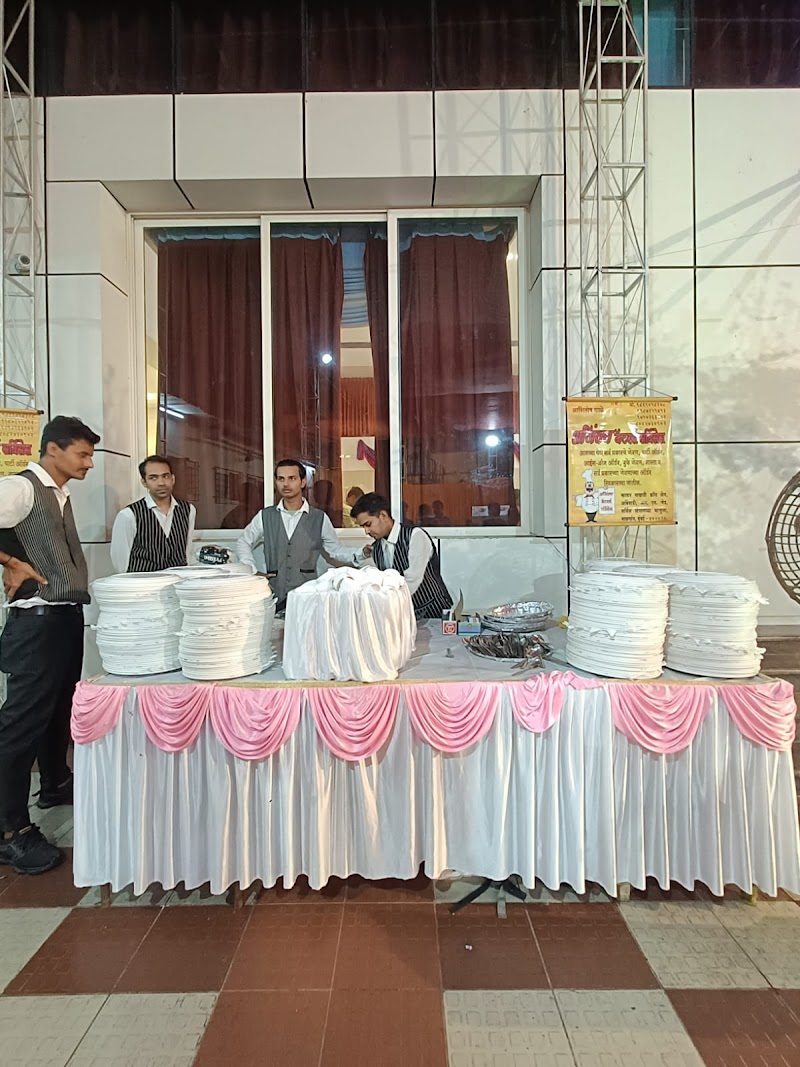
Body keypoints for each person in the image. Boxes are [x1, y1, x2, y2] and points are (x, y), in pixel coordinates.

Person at [0, 415, 100, 875]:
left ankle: (56, 783)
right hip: (35, 625)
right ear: (53, 449)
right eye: (82, 454)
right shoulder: (21, 488)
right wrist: (10, 561)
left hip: (63, 619)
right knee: (19, 726)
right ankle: (11, 832)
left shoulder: (58, 495)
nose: (88, 463)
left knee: (58, 711)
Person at [236, 459, 359, 610]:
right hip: (274, 596)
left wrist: (361, 554)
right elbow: (243, 542)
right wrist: (252, 570)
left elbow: (335, 551)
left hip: (308, 597)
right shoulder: (265, 516)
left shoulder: (319, 518)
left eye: (292, 478)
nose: (286, 484)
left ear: (303, 482)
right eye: (281, 479)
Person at [350, 492, 453, 619]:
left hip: (434, 611)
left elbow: (412, 580)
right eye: (363, 527)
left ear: (383, 515)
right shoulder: (376, 548)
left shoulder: (415, 536)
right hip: (405, 614)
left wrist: (383, 604)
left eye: (368, 524)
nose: (366, 531)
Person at [110, 455, 196, 573]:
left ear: (173, 479)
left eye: (165, 476)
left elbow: (187, 552)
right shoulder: (129, 515)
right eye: (153, 478)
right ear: (144, 482)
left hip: (177, 580)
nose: (161, 483)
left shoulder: (188, 510)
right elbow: (120, 562)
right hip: (142, 582)